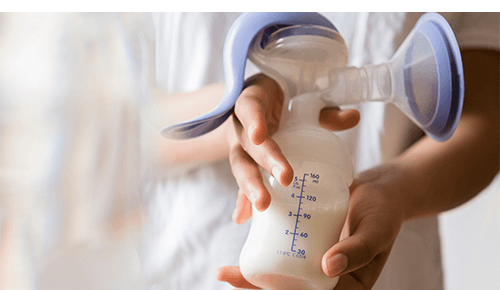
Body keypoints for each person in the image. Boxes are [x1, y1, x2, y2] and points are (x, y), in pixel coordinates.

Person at [136, 12, 499, 290]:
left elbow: (488, 118)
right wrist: (239, 118)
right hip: (195, 260)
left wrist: (397, 189)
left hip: (380, 267)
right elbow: (122, 126)